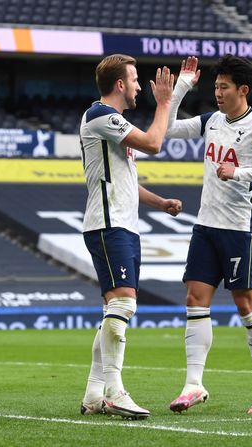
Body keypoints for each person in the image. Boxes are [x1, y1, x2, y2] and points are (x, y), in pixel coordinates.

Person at [165, 55, 252, 414]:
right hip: (206, 226)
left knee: (246, 305)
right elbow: (168, 128)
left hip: (240, 229)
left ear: (243, 90)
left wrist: (240, 173)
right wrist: (180, 88)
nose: (217, 92)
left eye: (223, 87)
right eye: (215, 86)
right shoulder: (212, 121)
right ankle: (193, 384)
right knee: (194, 299)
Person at [79, 54, 182, 419]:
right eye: (135, 80)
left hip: (122, 223)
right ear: (120, 85)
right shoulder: (100, 116)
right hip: (109, 224)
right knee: (123, 305)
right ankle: (114, 390)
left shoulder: (112, 123)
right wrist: (166, 103)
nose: (140, 86)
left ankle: (94, 393)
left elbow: (128, 180)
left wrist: (160, 202)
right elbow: (154, 142)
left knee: (115, 308)